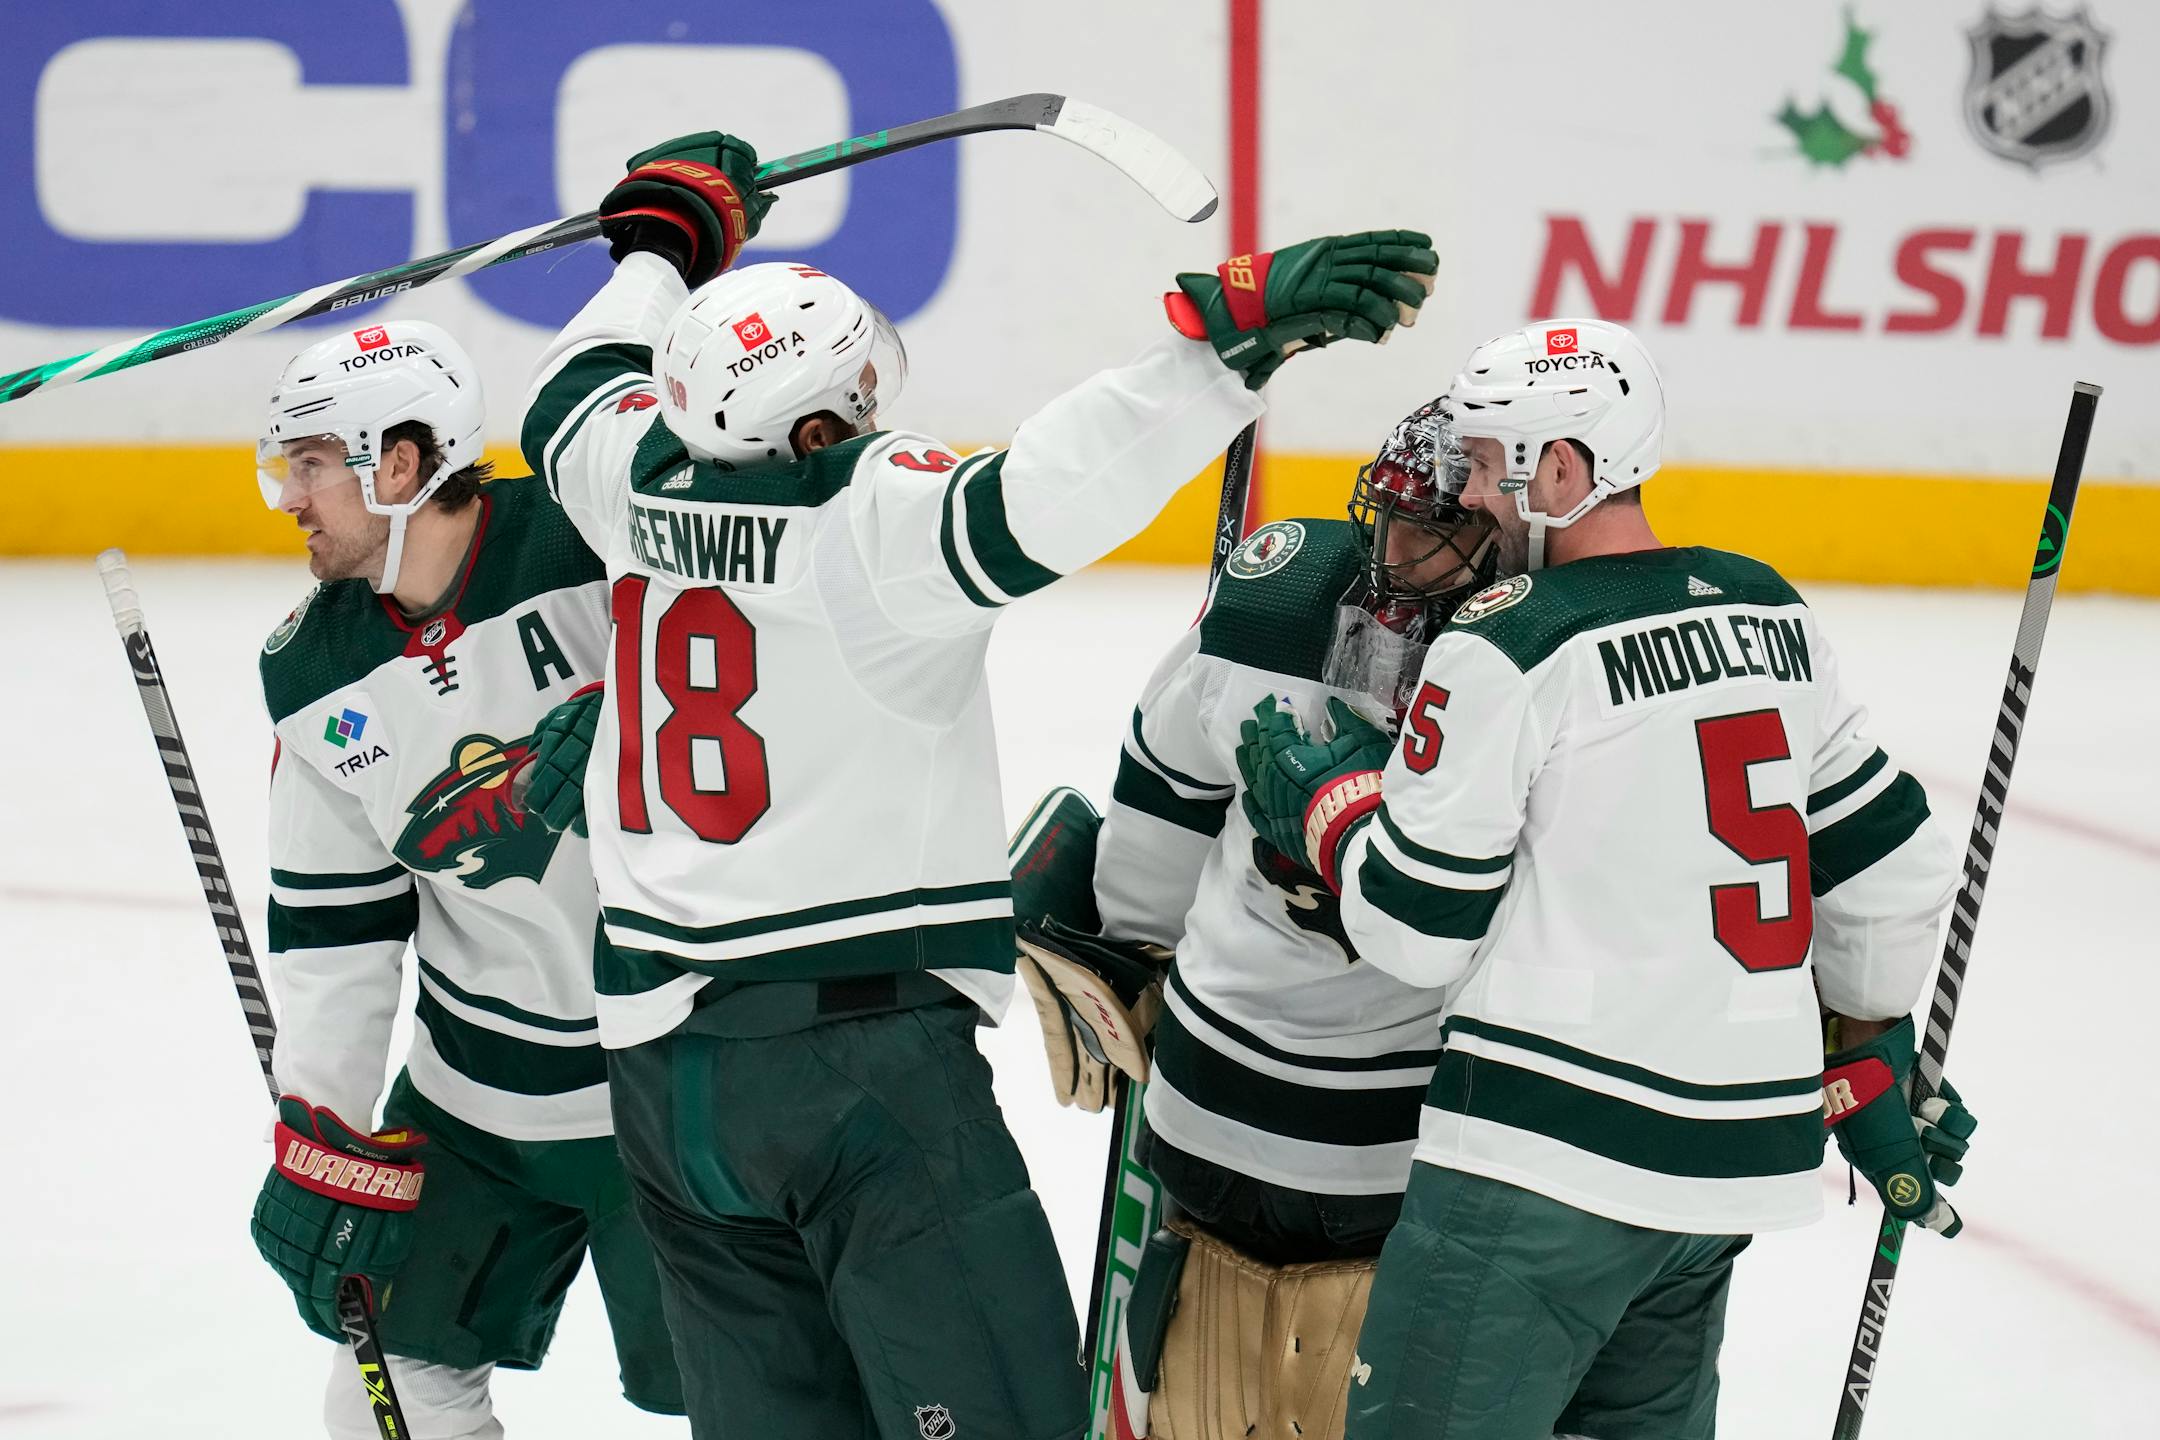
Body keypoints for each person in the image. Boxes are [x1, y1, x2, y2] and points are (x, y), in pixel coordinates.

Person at [512, 126, 1437, 1438]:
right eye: (854, 396)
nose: (874, 413)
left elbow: (569, 386)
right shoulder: (868, 524)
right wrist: (1217, 355)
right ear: (817, 424)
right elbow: (1043, 493)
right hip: (856, 1074)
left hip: (661, 1077)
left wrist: (663, 241)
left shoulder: (623, 474)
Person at [1236, 318, 1976, 1439]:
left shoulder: (1506, 642)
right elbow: (1889, 861)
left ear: (1563, 472)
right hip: (1725, 1175)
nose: (1466, 493)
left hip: (1537, 1174)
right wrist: (1865, 1040)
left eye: (1486, 464)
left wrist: (1334, 811)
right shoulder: (1770, 608)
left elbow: (1420, 932)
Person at [1009, 399, 1497, 1439]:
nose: (1395, 555)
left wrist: (1132, 947)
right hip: (1391, 1146)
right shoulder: (1550, 660)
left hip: (1236, 1107)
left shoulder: (1279, 600)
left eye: (1430, 533)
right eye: (1389, 522)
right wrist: (1134, 956)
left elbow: (1160, 787)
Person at [248, 320, 683, 1439]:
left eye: (311, 465)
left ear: (398, 465)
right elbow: (335, 936)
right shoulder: (312, 673)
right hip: (473, 1105)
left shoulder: (593, 538)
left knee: (761, 1400)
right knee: (383, 1403)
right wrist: (322, 1130)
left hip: (682, 1087)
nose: (290, 498)